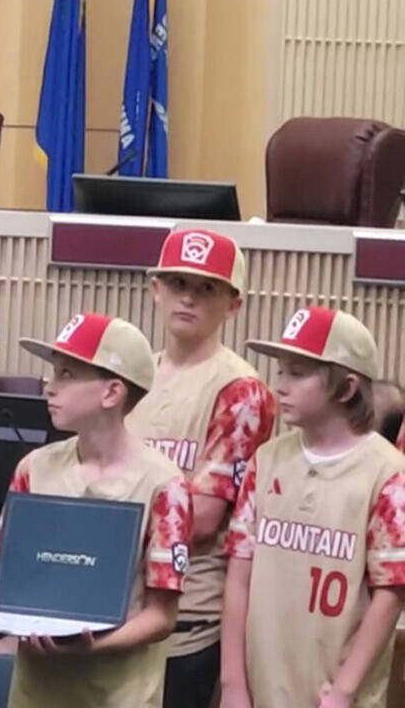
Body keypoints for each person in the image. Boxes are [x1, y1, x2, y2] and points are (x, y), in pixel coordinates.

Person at [0, 312, 192, 708]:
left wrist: (88, 647)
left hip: (119, 695)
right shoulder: (33, 468)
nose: (49, 387)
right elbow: (14, 585)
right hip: (35, 693)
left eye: (66, 374)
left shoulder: (164, 484)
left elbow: (162, 617)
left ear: (112, 392)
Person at [220, 307, 405, 708]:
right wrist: (233, 683)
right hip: (260, 686)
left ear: (346, 387)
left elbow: (390, 593)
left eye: (297, 373)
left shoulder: (389, 473)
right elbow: (238, 576)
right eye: (281, 370)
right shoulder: (265, 461)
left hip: (335, 694)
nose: (280, 385)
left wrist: (343, 692)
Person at [125, 228, 276, 708]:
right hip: (120, 600)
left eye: (207, 287)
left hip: (187, 616)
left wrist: (110, 522)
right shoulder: (133, 376)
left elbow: (205, 519)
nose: (187, 296)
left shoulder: (240, 389)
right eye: (176, 282)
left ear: (233, 304)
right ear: (155, 290)